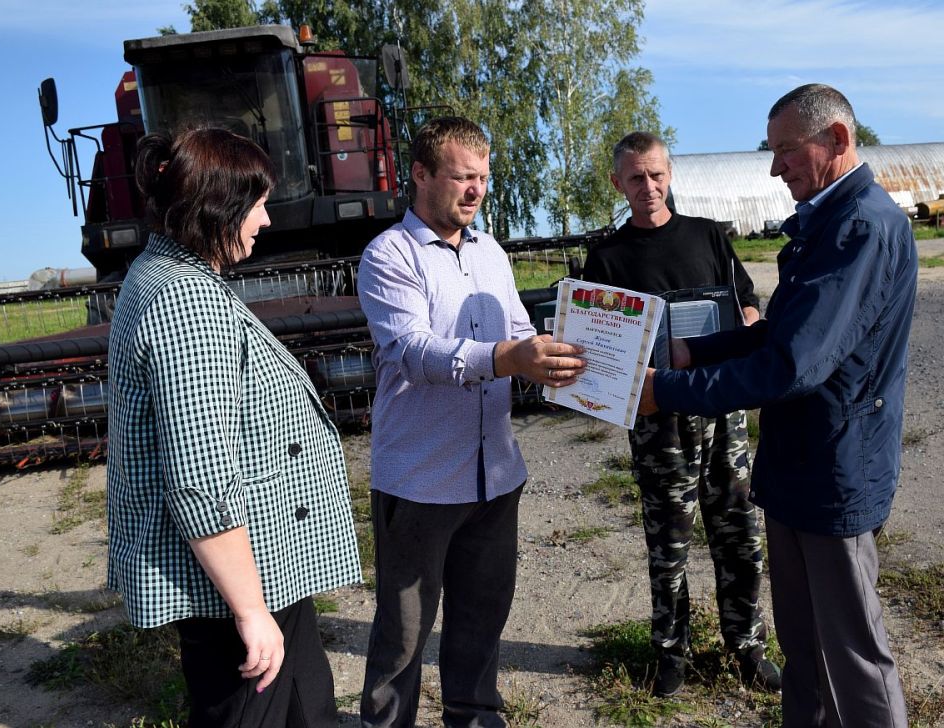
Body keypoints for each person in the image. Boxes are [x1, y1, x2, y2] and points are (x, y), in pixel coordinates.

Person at [641, 85, 915, 727]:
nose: (774, 167)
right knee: (804, 649)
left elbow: (793, 365)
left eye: (786, 151)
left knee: (853, 658)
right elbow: (780, 332)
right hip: (799, 471)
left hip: (833, 473)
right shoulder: (827, 222)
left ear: (837, 140)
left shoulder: (860, 229)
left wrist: (667, 392)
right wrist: (693, 353)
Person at [106, 127, 362, 728]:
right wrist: (249, 611)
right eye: (258, 204)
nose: (266, 220)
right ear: (219, 206)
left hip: (263, 571)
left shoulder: (168, 276)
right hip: (232, 589)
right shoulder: (183, 301)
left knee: (309, 708)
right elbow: (199, 476)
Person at [357, 116, 586, 727]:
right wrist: (511, 359)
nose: (476, 190)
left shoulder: (490, 252)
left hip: (495, 477)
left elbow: (517, 331)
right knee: (402, 641)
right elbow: (414, 352)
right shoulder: (389, 256)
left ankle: (476, 719)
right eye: (463, 177)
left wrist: (571, 358)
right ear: (422, 174)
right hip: (421, 481)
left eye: (484, 178)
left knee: (481, 626)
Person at [582, 131, 780, 698]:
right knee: (668, 542)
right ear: (618, 183)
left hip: (721, 409)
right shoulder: (607, 257)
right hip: (659, 418)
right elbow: (597, 341)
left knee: (738, 532)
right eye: (636, 177)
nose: (648, 187)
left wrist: (742, 316)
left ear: (671, 175)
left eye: (657, 174)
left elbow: (745, 299)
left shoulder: (707, 236)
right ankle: (672, 653)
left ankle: (747, 648)